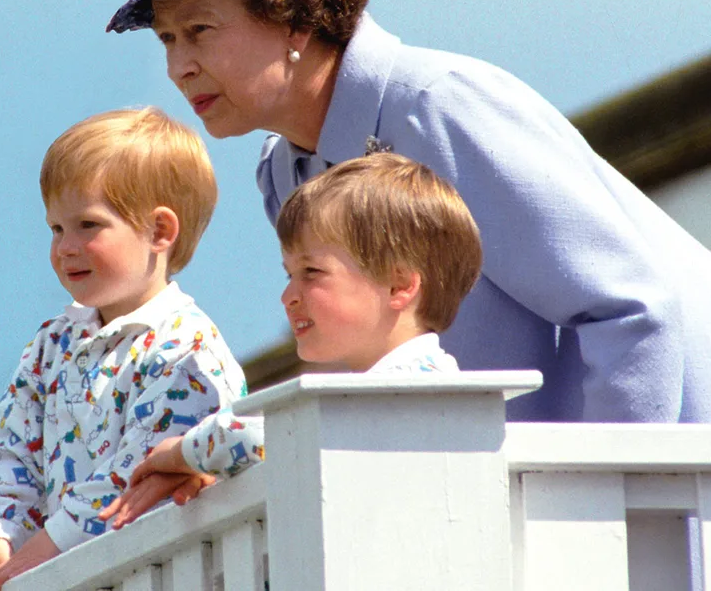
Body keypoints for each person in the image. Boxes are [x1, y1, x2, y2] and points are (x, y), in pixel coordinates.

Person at [106, 0, 711, 424]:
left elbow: (630, 308)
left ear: (293, 14)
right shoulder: (285, 174)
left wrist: (608, 511)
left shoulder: (439, 104)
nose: (179, 67)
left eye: (199, 30)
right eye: (167, 39)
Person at [99, 152, 483, 528]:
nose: (288, 297)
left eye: (311, 272)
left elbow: (264, 432)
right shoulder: (388, 393)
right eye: (289, 275)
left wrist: (181, 453)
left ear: (399, 286)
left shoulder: (413, 386)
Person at [0, 108, 247, 591]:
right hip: (65, 576)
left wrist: (42, 552)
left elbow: (139, 470)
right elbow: (9, 444)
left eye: (87, 225)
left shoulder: (188, 349)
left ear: (159, 231)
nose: (65, 247)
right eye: (56, 229)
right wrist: (1, 541)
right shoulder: (53, 343)